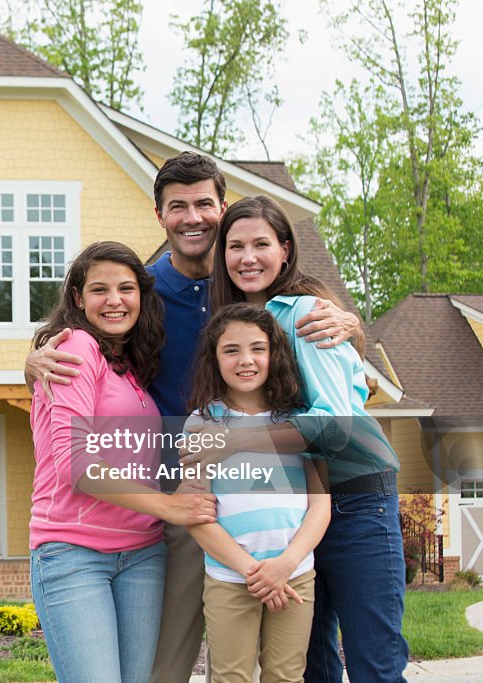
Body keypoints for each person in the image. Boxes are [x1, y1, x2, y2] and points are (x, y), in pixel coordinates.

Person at [26, 151, 362, 683]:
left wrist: (350, 321)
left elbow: (326, 349)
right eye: (177, 206)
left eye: (205, 203)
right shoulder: (144, 292)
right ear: (158, 214)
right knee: (167, 662)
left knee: (291, 657)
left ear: (223, 208)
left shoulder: (256, 285)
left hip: (277, 501)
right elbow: (90, 352)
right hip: (180, 504)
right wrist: (34, 358)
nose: (193, 217)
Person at [196, 195, 408, 683]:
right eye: (235, 246)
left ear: (286, 249)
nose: (248, 257)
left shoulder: (310, 312)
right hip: (290, 512)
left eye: (261, 244)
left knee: (374, 662)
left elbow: (334, 426)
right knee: (310, 666)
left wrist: (239, 443)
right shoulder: (234, 325)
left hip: (355, 501)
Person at [29, 240, 216, 683]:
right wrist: (170, 507)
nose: (114, 300)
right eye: (100, 289)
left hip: (141, 555)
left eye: (126, 288)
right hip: (75, 552)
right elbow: (75, 465)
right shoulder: (74, 347)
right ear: (77, 297)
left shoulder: (129, 364)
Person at [185, 303, 330, 683]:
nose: (245, 360)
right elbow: (197, 516)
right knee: (231, 676)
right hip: (231, 576)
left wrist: (284, 566)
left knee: (286, 676)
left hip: (294, 572)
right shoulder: (201, 424)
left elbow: (320, 506)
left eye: (257, 348)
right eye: (231, 350)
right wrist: (253, 572)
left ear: (274, 354)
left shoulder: (300, 420)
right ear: (214, 359)